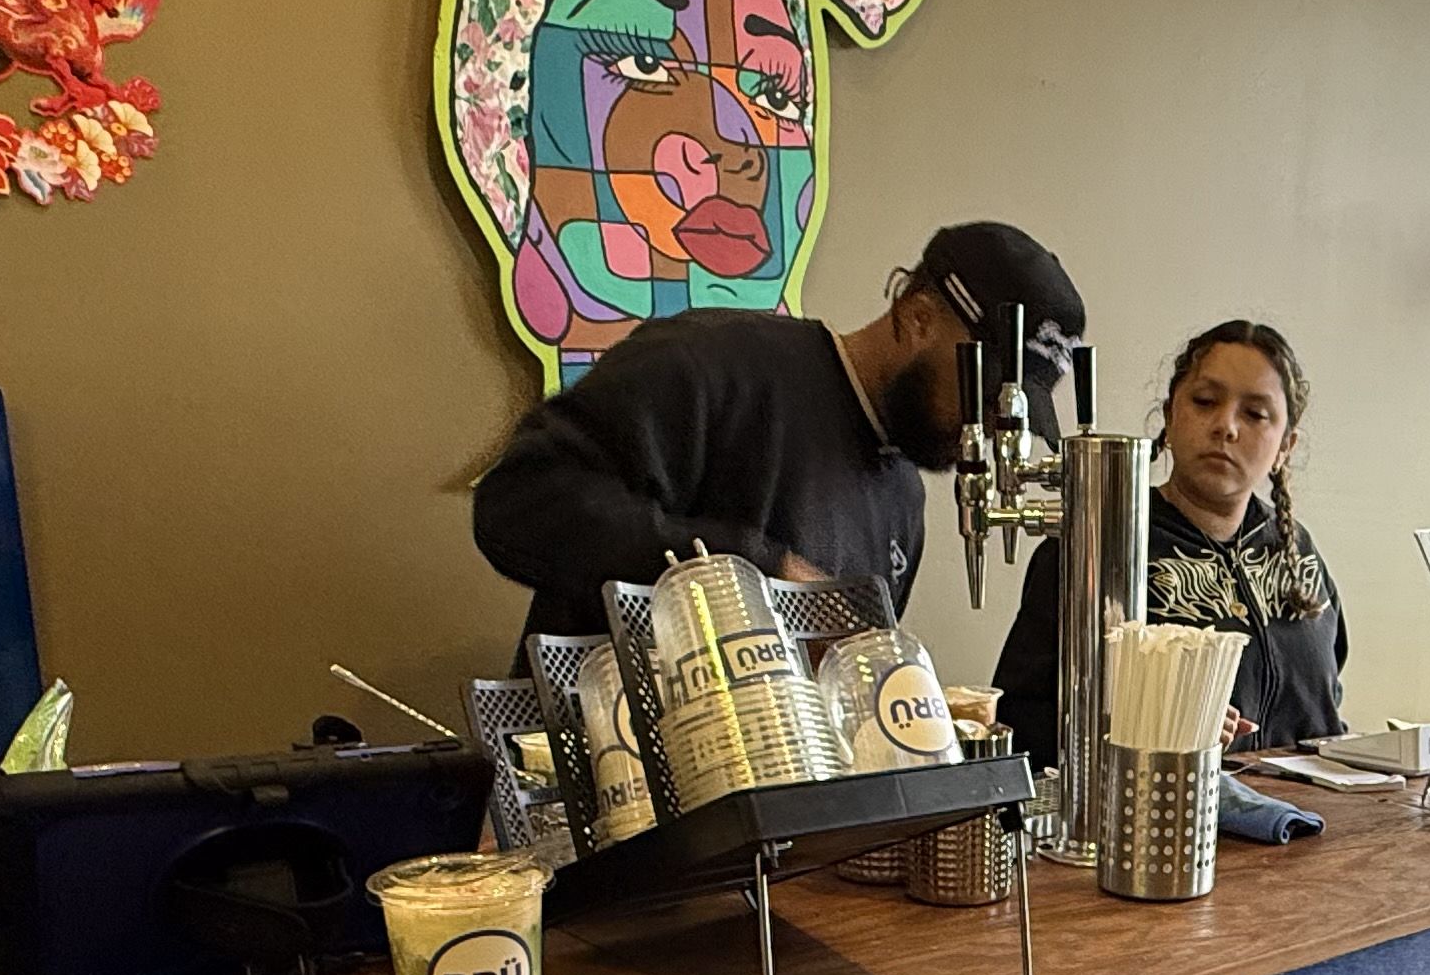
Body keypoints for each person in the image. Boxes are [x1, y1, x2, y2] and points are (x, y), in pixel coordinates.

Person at [470, 220, 1086, 635]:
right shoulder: (712, 363)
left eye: (1016, 411)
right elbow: (516, 504)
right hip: (606, 792)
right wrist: (749, 570)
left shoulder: (903, 499)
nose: (991, 424)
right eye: (986, 390)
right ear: (919, 318)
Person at [995, 320, 1348, 764]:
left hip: (1310, 823)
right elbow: (1021, 722)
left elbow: (1328, 707)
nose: (1226, 426)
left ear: (1285, 446)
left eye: (1255, 414)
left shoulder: (1297, 552)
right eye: (1205, 402)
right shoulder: (1099, 542)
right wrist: (1159, 724)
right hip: (1159, 818)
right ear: (1169, 416)